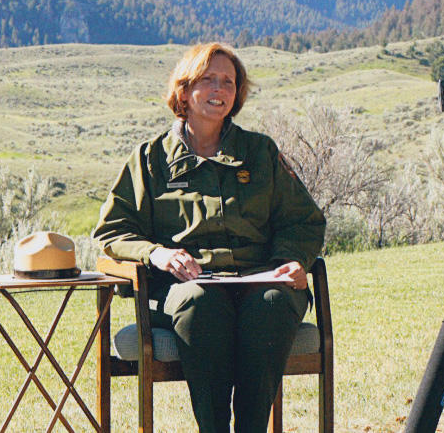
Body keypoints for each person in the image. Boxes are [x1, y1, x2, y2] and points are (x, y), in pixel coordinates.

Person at [93, 42, 326, 433]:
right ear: (184, 90)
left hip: (260, 281)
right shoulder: (149, 159)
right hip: (186, 288)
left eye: (229, 83)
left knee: (271, 304)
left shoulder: (260, 151)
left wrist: (292, 259)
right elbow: (112, 231)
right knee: (201, 304)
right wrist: (157, 254)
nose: (220, 90)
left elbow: (304, 221)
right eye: (209, 80)